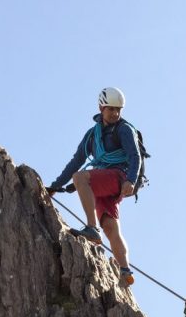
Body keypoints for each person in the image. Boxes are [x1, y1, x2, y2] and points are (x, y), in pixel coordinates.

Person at [46, 87, 142, 288]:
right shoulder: (92, 135)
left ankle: (91, 228)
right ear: (101, 108)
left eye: (118, 110)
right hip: (104, 181)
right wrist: (55, 186)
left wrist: (130, 180)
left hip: (118, 176)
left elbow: (135, 156)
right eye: (111, 109)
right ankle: (125, 271)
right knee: (110, 226)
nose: (115, 114)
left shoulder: (124, 129)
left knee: (81, 178)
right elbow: (76, 160)